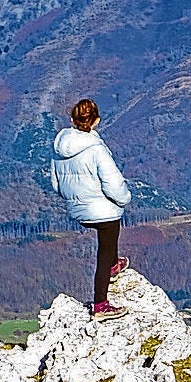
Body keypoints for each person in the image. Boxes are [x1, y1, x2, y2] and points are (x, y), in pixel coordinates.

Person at [50, 98, 132, 321]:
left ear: (72, 120)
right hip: (101, 210)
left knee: (108, 233)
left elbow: (56, 185)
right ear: (96, 120)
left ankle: (114, 264)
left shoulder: (59, 149)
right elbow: (114, 185)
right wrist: (125, 198)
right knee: (106, 244)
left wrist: (78, 199)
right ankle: (101, 304)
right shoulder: (97, 150)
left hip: (77, 209)